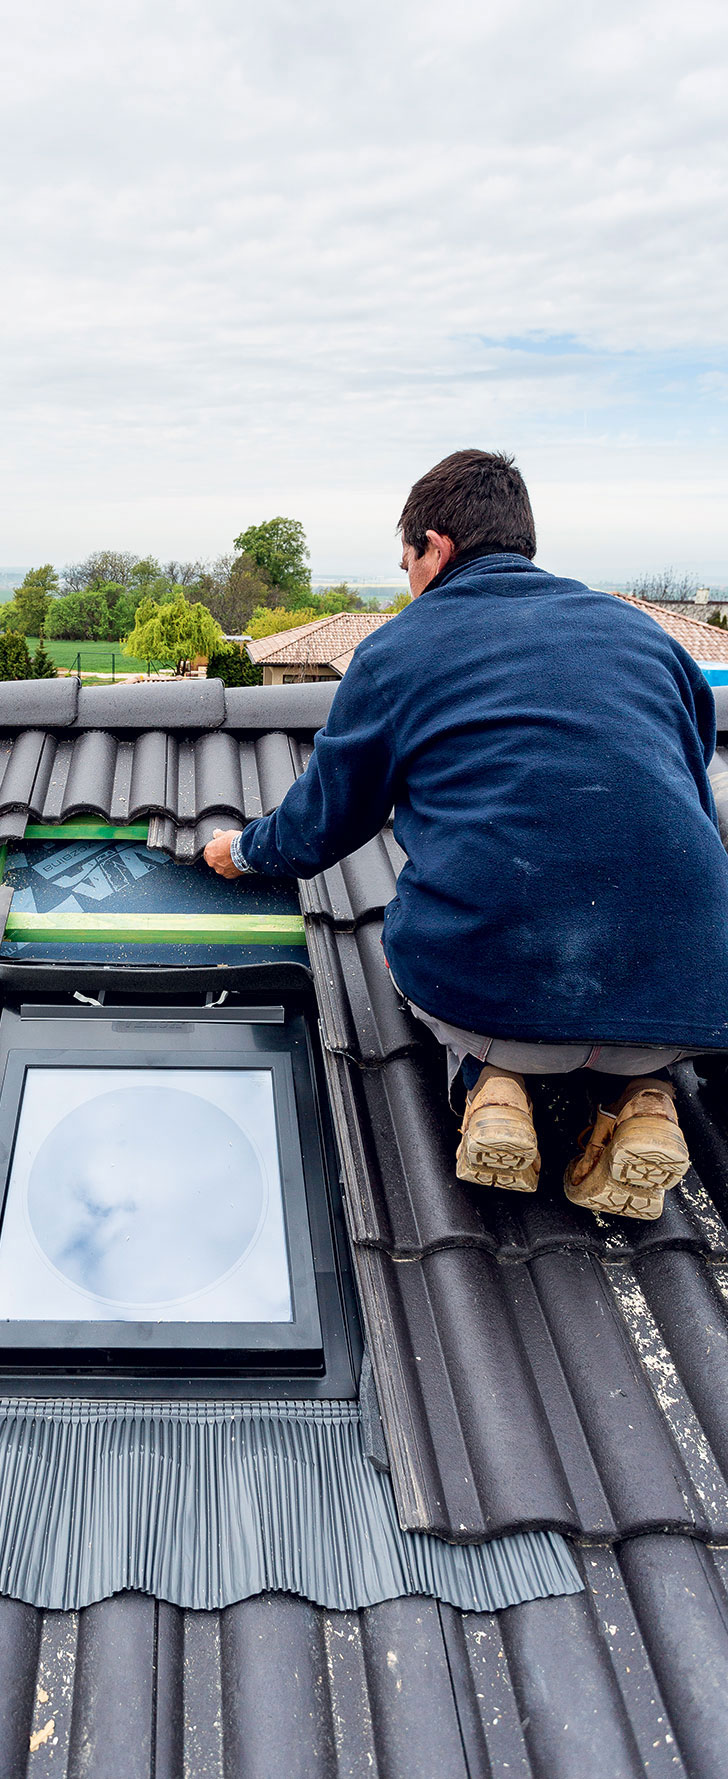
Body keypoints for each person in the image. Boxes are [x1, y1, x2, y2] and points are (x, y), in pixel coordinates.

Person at [204, 450, 728, 1220]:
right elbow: (691, 785)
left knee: (409, 933)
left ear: (436, 548)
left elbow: (324, 823)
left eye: (406, 560)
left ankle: (487, 1081)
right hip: (692, 999)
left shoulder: (398, 650)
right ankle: (645, 1098)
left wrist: (242, 849)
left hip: (493, 997)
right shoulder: (646, 638)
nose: (406, 580)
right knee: (629, 992)